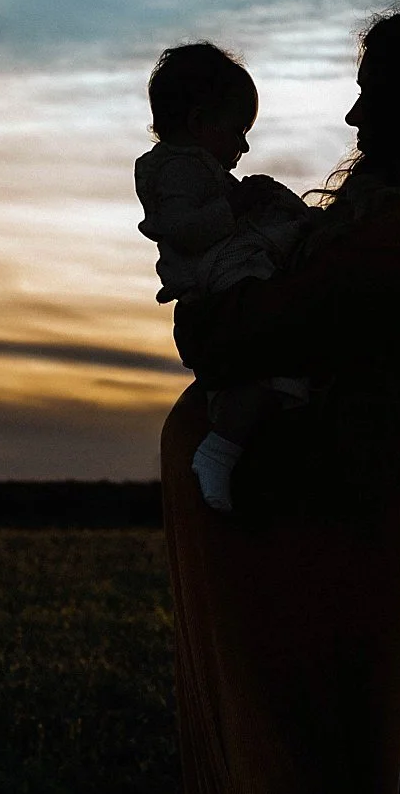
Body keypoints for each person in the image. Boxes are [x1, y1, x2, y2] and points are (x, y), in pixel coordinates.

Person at [160, 0, 400, 794]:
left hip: (320, 537)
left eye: (373, 91)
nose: (353, 113)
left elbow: (232, 337)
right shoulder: (399, 218)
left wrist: (204, 302)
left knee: (308, 782)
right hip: (293, 526)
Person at [134, 43, 314, 511]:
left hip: (230, 274)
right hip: (218, 283)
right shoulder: (174, 173)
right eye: (238, 131)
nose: (245, 146)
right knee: (263, 376)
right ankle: (219, 451)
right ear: (198, 124)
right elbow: (180, 230)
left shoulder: (197, 171)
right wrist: (236, 206)